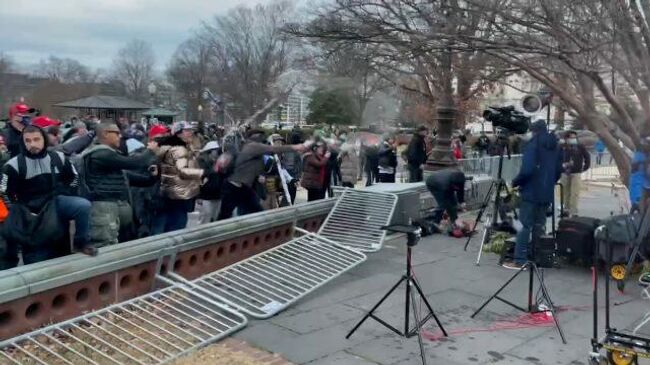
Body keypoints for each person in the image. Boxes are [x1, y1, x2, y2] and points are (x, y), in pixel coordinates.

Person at [0, 125, 93, 267]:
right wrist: (18, 210)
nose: (33, 144)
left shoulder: (58, 158)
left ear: (44, 139)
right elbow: (4, 191)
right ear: (23, 142)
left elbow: (74, 177)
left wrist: (65, 193)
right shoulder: (13, 165)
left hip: (55, 202)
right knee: (36, 264)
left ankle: (81, 243)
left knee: (82, 205)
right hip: (30, 212)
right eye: (28, 141)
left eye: (36, 139)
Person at [82, 123, 157, 246]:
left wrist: (154, 176)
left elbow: (142, 180)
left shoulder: (111, 157)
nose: (120, 136)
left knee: (113, 245)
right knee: (104, 245)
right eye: (116, 133)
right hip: (102, 209)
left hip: (113, 209)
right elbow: (134, 163)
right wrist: (150, 151)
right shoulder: (100, 154)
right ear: (105, 134)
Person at [504, 120, 562, 270]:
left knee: (524, 226)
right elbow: (558, 170)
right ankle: (537, 257)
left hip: (531, 191)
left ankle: (520, 260)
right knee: (539, 225)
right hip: (546, 191)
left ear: (534, 131)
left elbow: (527, 170)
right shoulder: (556, 145)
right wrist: (548, 183)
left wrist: (515, 182)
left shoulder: (533, 145)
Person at [217, 129, 307, 220]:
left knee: (257, 211)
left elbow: (279, 168)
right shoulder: (253, 148)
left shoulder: (264, 153)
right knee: (228, 214)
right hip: (236, 185)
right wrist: (297, 147)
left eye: (280, 142)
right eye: (277, 142)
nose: (279, 144)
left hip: (249, 186)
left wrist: (290, 179)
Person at [152, 122, 205, 234]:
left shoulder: (184, 147)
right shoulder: (177, 148)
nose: (190, 133)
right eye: (187, 131)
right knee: (173, 227)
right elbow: (182, 171)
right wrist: (202, 173)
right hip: (174, 195)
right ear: (178, 133)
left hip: (177, 194)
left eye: (191, 130)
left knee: (174, 225)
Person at [560, 130, 590, 217]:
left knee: (575, 193)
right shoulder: (562, 147)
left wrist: (585, 167)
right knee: (566, 192)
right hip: (565, 172)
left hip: (576, 172)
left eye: (574, 137)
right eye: (571, 137)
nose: (573, 139)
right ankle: (566, 209)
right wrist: (561, 167)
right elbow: (557, 158)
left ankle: (574, 211)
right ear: (566, 138)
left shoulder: (580, 147)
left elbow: (587, 157)